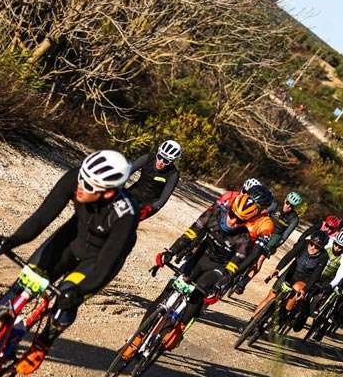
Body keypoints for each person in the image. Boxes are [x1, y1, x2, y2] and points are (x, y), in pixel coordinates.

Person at [0, 151, 136, 377]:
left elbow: (104, 268)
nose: (80, 185)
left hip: (97, 261)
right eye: (82, 177)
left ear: (108, 192)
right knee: (22, 286)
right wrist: (9, 242)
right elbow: (41, 218)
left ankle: (43, 342)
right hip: (69, 242)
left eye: (88, 185)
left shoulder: (126, 215)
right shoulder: (77, 178)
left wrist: (76, 295)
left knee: (65, 300)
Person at [153, 192, 261, 350]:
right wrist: (171, 252)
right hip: (200, 258)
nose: (233, 221)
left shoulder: (244, 238)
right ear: (229, 209)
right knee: (166, 294)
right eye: (232, 215)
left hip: (218, 268)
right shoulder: (214, 213)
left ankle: (179, 329)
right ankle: (137, 339)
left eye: (240, 220)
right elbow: (190, 234)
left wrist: (219, 286)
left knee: (200, 290)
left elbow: (233, 266)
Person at [253, 230, 329, 331]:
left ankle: (282, 316)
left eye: (317, 247)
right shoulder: (303, 243)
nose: (313, 248)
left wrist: (305, 290)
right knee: (271, 297)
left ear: (322, 247)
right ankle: (251, 322)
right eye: (312, 244)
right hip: (291, 273)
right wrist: (278, 269)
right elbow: (289, 256)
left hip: (305, 280)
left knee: (296, 290)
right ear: (309, 241)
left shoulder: (324, 256)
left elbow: (315, 275)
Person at [126, 140, 181, 221]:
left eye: (166, 160)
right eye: (160, 156)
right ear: (157, 153)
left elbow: (162, 200)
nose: (161, 162)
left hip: (149, 204)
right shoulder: (147, 158)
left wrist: (148, 209)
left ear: (172, 161)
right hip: (134, 193)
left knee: (127, 223)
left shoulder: (173, 174)